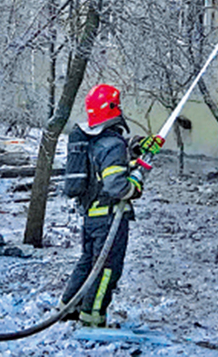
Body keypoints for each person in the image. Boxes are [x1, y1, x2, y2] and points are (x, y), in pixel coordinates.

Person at [60, 83, 146, 327]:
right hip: (110, 218)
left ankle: (69, 308)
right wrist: (135, 185)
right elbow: (116, 186)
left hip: (92, 216)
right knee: (107, 269)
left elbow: (102, 167)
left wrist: (133, 151)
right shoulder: (112, 144)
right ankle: (92, 318)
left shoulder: (93, 139)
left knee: (88, 262)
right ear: (113, 108)